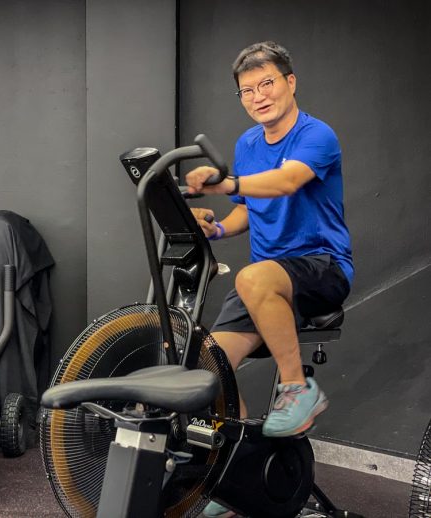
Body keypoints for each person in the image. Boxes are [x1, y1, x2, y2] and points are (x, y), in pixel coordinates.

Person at [186, 40, 353, 518]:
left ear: (289, 83)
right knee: (208, 367)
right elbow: (247, 210)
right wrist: (215, 227)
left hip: (322, 267)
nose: (258, 96)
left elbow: (284, 182)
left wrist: (226, 183)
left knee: (253, 276)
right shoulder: (247, 144)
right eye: (247, 90)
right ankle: (236, 476)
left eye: (267, 83)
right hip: (267, 279)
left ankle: (299, 391)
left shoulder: (316, 135)